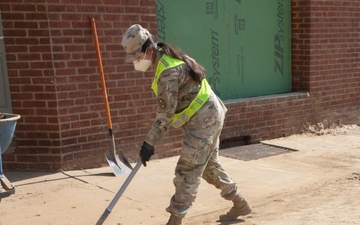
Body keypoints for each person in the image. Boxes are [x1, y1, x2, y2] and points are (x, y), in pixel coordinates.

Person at [121, 24, 252, 225]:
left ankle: (175, 220)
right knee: (208, 167)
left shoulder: (167, 71)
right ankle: (240, 203)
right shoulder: (165, 56)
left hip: (205, 119)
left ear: (148, 50)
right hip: (209, 113)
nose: (136, 62)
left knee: (187, 169)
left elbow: (165, 115)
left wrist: (149, 143)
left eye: (137, 57)